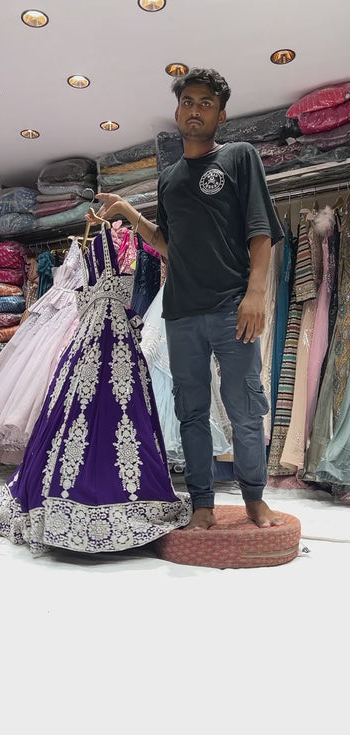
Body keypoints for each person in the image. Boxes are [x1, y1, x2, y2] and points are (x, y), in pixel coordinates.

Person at [87, 67, 285, 530]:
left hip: (231, 307)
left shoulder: (239, 157)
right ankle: (202, 506)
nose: (195, 110)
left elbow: (261, 231)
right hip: (180, 314)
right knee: (190, 411)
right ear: (178, 110)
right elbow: (167, 243)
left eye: (206, 103)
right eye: (189, 102)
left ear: (220, 114)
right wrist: (129, 212)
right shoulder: (170, 178)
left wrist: (255, 293)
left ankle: (255, 499)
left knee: (245, 406)